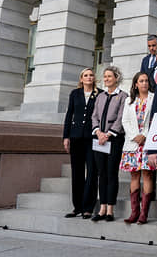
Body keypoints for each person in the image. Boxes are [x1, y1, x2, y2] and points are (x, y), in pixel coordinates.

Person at [121, 71, 157, 224]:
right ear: (135, 84)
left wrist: (145, 135)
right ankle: (134, 212)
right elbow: (125, 121)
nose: (144, 83)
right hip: (132, 143)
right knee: (134, 175)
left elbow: (155, 118)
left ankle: (144, 214)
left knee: (147, 175)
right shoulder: (129, 100)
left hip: (148, 142)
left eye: (146, 81)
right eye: (141, 81)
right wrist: (135, 135)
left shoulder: (154, 98)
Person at [90, 66, 127, 222]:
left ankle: (110, 210)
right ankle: (102, 208)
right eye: (104, 77)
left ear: (116, 78)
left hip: (114, 139)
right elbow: (94, 116)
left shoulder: (123, 96)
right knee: (101, 174)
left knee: (111, 174)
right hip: (99, 139)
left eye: (109, 76)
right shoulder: (100, 96)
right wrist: (98, 132)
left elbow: (121, 118)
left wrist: (109, 134)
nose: (106, 79)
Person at [62, 68, 99, 219]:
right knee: (77, 173)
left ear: (94, 78)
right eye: (86, 75)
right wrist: (66, 136)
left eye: (91, 75)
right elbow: (69, 114)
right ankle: (77, 207)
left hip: (92, 138)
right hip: (76, 137)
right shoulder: (74, 94)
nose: (89, 77)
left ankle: (88, 207)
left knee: (91, 172)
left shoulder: (100, 94)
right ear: (81, 79)